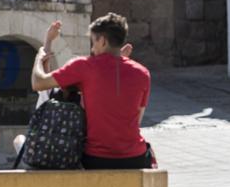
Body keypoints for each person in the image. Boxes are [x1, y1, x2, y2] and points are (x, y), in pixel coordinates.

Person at [31, 13, 154, 169]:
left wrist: (39, 57)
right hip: (135, 158)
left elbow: (38, 83)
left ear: (102, 41)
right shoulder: (143, 73)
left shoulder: (85, 66)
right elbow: (136, 121)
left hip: (97, 158)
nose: (92, 48)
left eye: (93, 41)